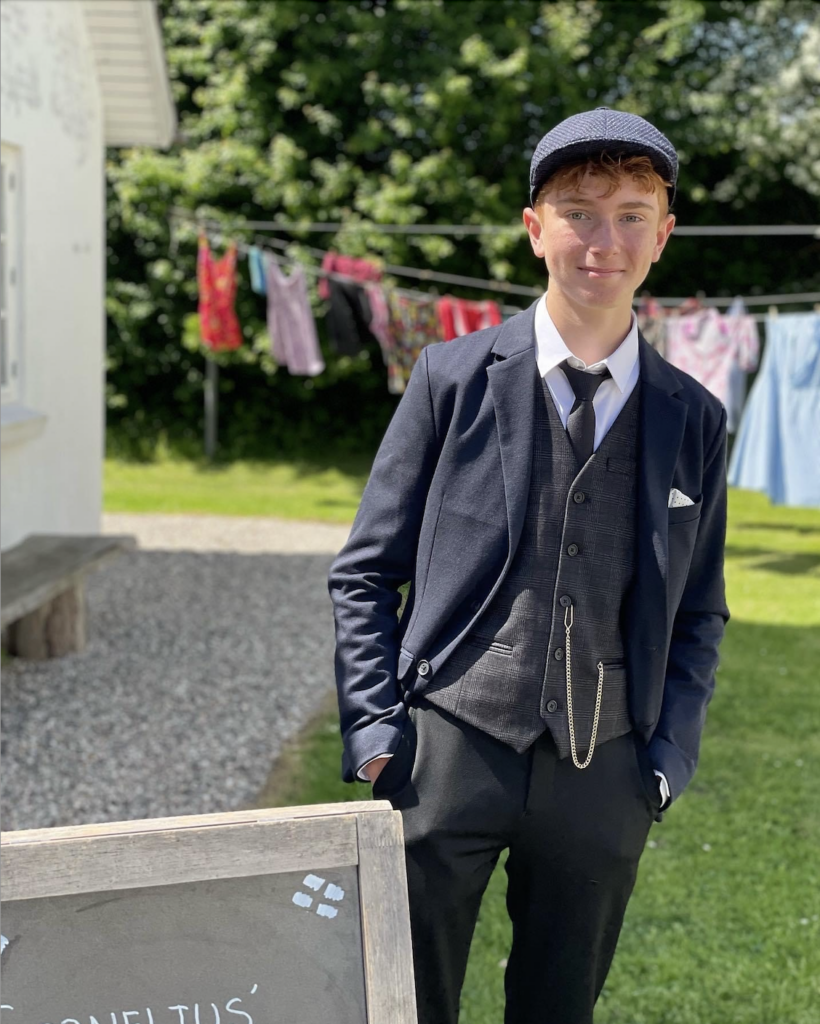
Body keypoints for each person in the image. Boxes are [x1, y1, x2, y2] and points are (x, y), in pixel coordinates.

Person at [328, 107, 730, 1024]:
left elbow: (700, 611)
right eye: (578, 211)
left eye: (631, 215)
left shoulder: (694, 419)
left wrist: (666, 759)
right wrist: (378, 732)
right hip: (444, 749)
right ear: (534, 228)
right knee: (401, 999)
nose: (603, 239)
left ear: (663, 236)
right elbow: (365, 572)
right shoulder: (450, 378)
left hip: (607, 766)